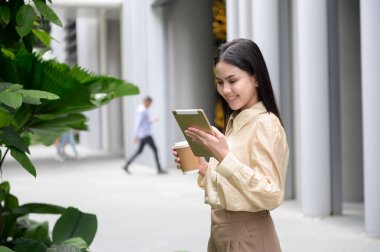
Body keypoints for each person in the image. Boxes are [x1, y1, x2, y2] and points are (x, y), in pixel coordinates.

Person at [172, 38, 289, 251]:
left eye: (232, 80)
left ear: (255, 78)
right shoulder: (236, 122)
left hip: (248, 236)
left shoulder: (265, 123)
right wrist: (204, 170)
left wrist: (225, 157)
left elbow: (271, 194)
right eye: (219, 82)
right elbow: (234, 191)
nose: (225, 90)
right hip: (220, 232)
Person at [123, 96, 166, 174]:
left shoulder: (143, 110)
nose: (150, 105)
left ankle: (126, 165)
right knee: (155, 149)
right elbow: (138, 123)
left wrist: (152, 120)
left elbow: (145, 123)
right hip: (146, 134)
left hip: (144, 134)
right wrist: (136, 136)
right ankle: (159, 169)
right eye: (149, 103)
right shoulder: (142, 111)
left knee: (139, 151)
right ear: (146, 102)